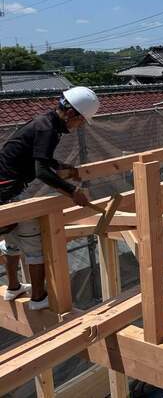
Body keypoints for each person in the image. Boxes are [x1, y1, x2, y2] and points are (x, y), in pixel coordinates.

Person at [0, 86, 99, 310]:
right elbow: (42, 172)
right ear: (71, 113)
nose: (80, 126)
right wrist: (72, 191)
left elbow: (39, 158)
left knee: (13, 239)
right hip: (9, 192)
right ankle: (38, 298)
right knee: (35, 242)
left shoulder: (45, 123)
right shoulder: (48, 130)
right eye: (81, 121)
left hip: (4, 190)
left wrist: (63, 167)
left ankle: (13, 287)